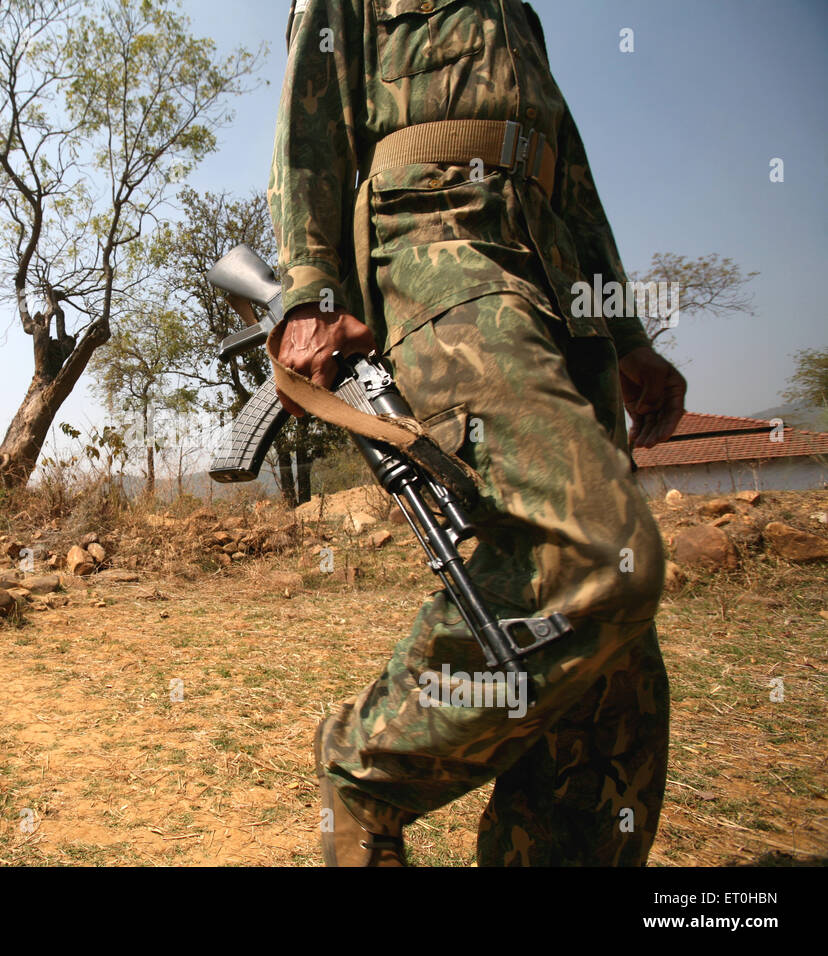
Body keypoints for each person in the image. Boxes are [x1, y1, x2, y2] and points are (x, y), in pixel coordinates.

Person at [267, 0, 687, 865]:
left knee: (611, 680)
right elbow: (309, 128)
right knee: (598, 550)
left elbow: (571, 178)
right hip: (437, 247)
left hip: (558, 280)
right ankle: (368, 766)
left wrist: (629, 332)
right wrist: (309, 289)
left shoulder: (520, 16)